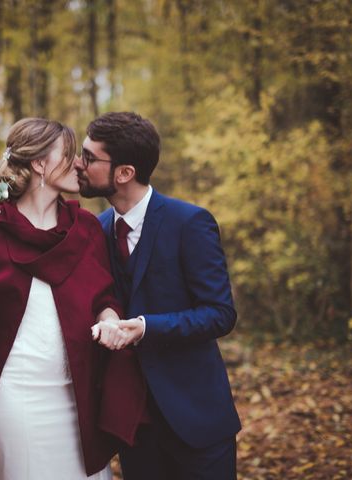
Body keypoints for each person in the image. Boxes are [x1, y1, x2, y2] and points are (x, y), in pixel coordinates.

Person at [0, 118, 146, 480]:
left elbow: (104, 297)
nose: (79, 164)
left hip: (79, 388)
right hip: (18, 392)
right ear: (39, 163)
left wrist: (108, 319)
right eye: (69, 154)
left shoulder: (86, 228)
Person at [78, 111, 241, 480]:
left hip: (197, 418)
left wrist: (145, 327)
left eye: (89, 157)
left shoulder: (190, 222)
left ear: (124, 173)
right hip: (134, 423)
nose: (78, 164)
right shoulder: (96, 230)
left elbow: (220, 313)